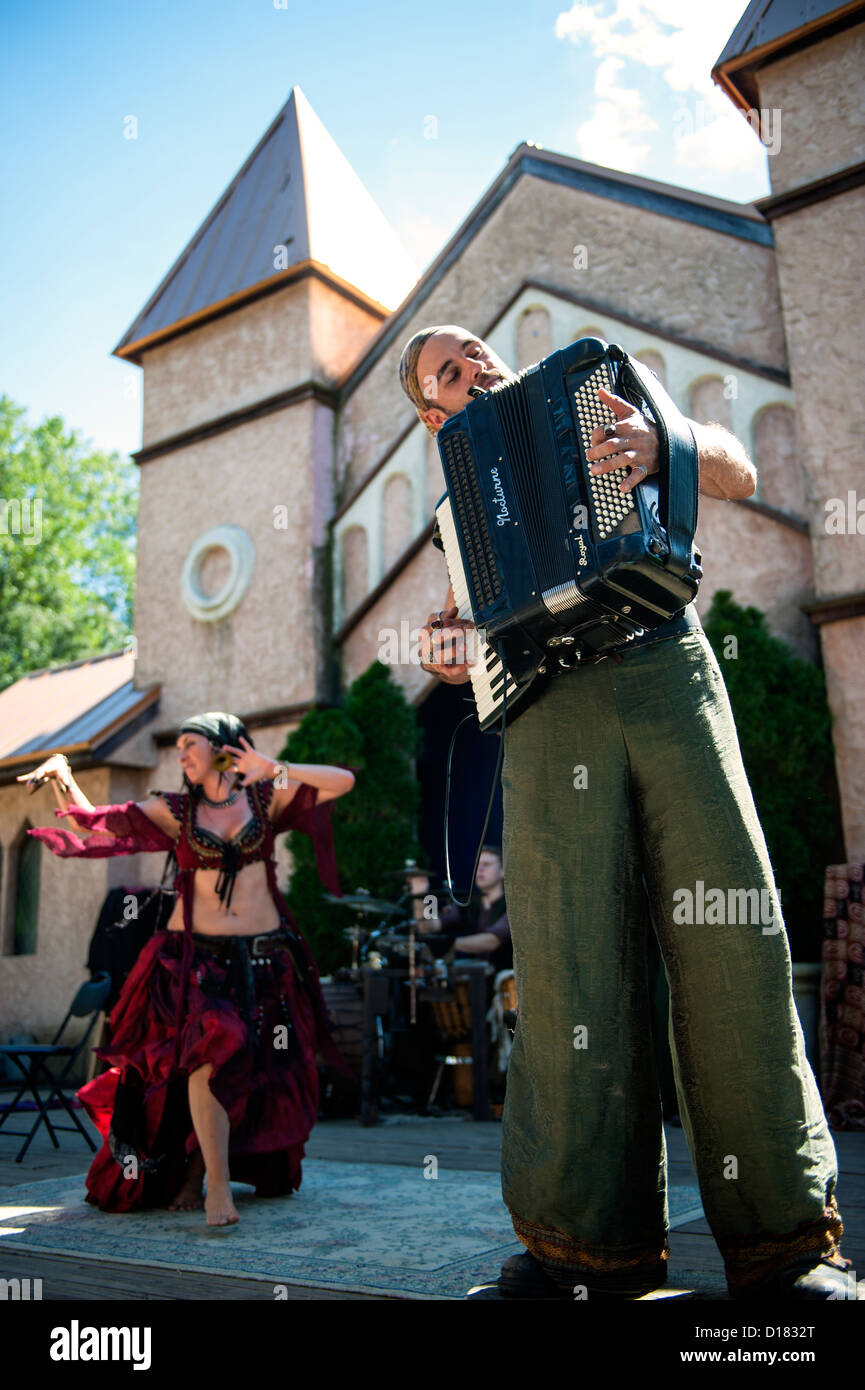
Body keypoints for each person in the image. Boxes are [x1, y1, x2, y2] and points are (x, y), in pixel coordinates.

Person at [398, 325, 854, 1300]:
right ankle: (581, 1248)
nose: (472, 363)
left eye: (473, 347)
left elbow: (727, 464)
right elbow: (459, 633)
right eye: (446, 370)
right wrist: (444, 648)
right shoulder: (456, 505)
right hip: (547, 709)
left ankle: (787, 1245)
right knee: (568, 966)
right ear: (433, 414)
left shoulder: (600, 391)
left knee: (729, 926)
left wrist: (663, 442)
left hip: (661, 667)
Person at [22, 712, 354, 1228]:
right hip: (192, 963)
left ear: (225, 749)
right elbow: (97, 819)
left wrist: (274, 767)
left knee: (250, 1070)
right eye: (177, 746)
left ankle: (198, 1169)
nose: (180, 755)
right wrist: (65, 776)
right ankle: (217, 1188)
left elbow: (343, 782)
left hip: (265, 963)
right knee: (211, 1052)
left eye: (189, 744)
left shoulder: (267, 797)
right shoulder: (174, 809)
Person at [437, 845, 512, 974]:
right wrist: (421, 900)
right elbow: (432, 926)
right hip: (473, 982)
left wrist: (450, 944)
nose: (480, 869)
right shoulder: (467, 903)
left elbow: (493, 940)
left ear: (502, 871)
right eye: (478, 864)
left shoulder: (511, 905)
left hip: (504, 983)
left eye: (486, 864)